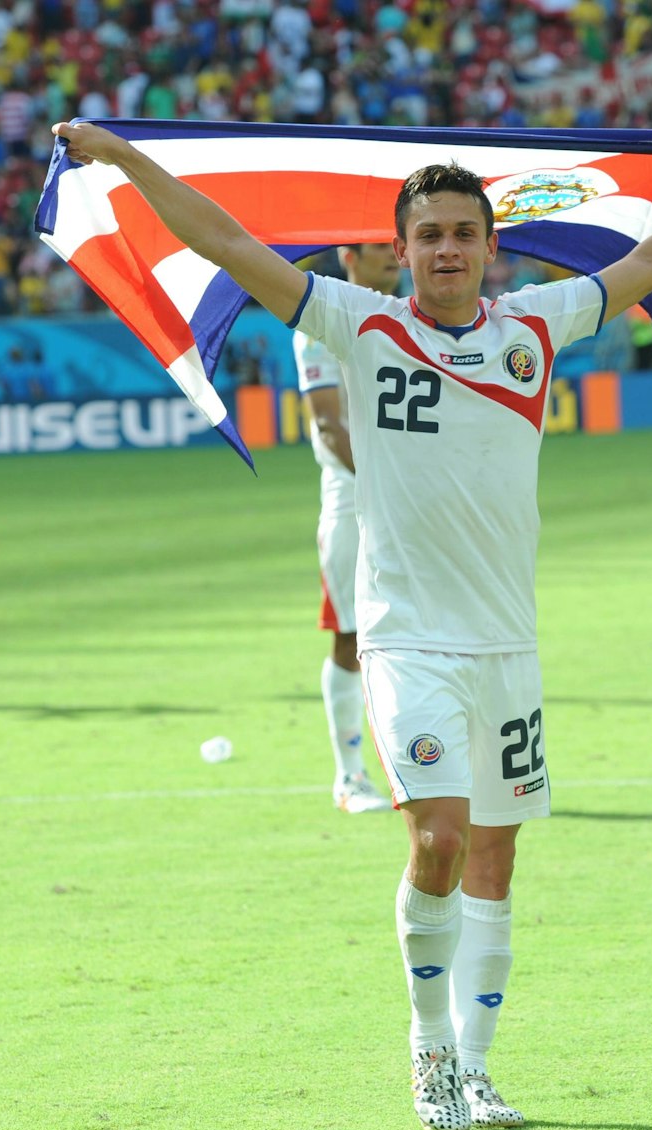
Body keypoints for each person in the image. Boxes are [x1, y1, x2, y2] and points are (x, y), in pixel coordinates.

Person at [51, 119, 652, 1130]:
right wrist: (128, 160)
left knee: (494, 858)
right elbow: (227, 241)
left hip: (508, 644)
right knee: (436, 838)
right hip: (407, 639)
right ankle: (428, 1051)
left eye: (462, 233)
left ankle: (479, 1068)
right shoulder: (355, 322)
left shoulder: (534, 326)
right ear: (399, 249)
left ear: (491, 246)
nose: (445, 248)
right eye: (428, 233)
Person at [293, 244, 402, 814]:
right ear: (348, 254)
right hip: (354, 504)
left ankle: (424, 769)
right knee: (352, 639)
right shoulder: (320, 323)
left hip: (414, 504)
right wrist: (394, 483)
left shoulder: (414, 319)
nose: (394, 256)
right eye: (380, 247)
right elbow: (331, 427)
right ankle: (350, 776)